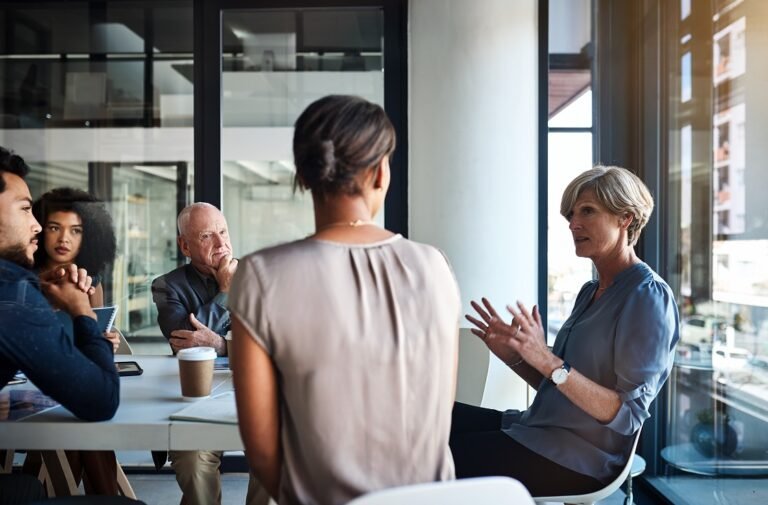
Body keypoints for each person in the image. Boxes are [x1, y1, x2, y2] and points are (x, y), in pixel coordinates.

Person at [229, 95, 460, 505]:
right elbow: (438, 410)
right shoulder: (434, 266)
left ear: (304, 175)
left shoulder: (260, 275)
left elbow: (262, 452)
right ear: (380, 172)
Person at [455, 165, 680, 496]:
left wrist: (547, 360)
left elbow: (628, 415)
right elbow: (559, 387)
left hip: (582, 458)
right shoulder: (590, 292)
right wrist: (515, 357)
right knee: (432, 420)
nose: (574, 224)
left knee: (436, 456)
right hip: (538, 430)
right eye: (571, 215)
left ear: (625, 218)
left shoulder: (647, 297)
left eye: (587, 211)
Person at [0, 146, 120, 503]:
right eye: (25, 209)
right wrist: (82, 310)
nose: (36, 225)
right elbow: (101, 400)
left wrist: (41, 295)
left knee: (28, 487)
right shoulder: (12, 291)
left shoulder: (18, 290)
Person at [151, 203, 265, 505]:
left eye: (223, 232)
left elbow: (273, 344)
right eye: (206, 236)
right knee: (192, 460)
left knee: (276, 456)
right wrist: (225, 292)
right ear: (184, 245)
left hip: (257, 391)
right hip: (196, 396)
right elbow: (184, 339)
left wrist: (222, 346)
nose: (220, 242)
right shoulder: (167, 286)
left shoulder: (259, 275)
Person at [32, 187, 120, 351]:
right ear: (41, 230)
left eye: (76, 230)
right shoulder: (24, 279)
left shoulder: (93, 281)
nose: (63, 239)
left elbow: (95, 332)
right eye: (54, 228)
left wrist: (106, 341)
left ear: (90, 237)